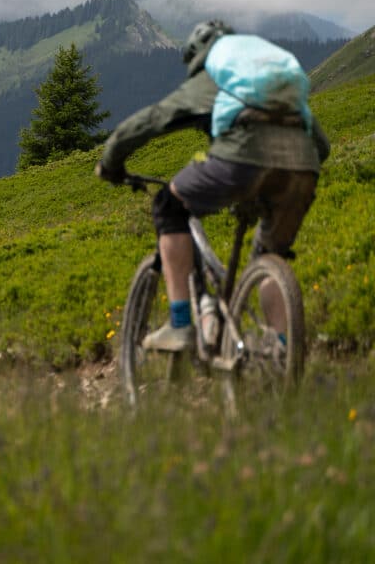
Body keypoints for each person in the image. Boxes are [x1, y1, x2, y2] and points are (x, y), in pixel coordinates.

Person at [95, 20, 330, 351]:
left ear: (197, 55)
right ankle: (279, 351)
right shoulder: (260, 75)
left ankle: (180, 325)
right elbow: (322, 145)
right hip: (303, 166)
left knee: (168, 204)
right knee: (270, 255)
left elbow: (155, 118)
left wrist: (110, 161)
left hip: (242, 157)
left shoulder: (214, 71)